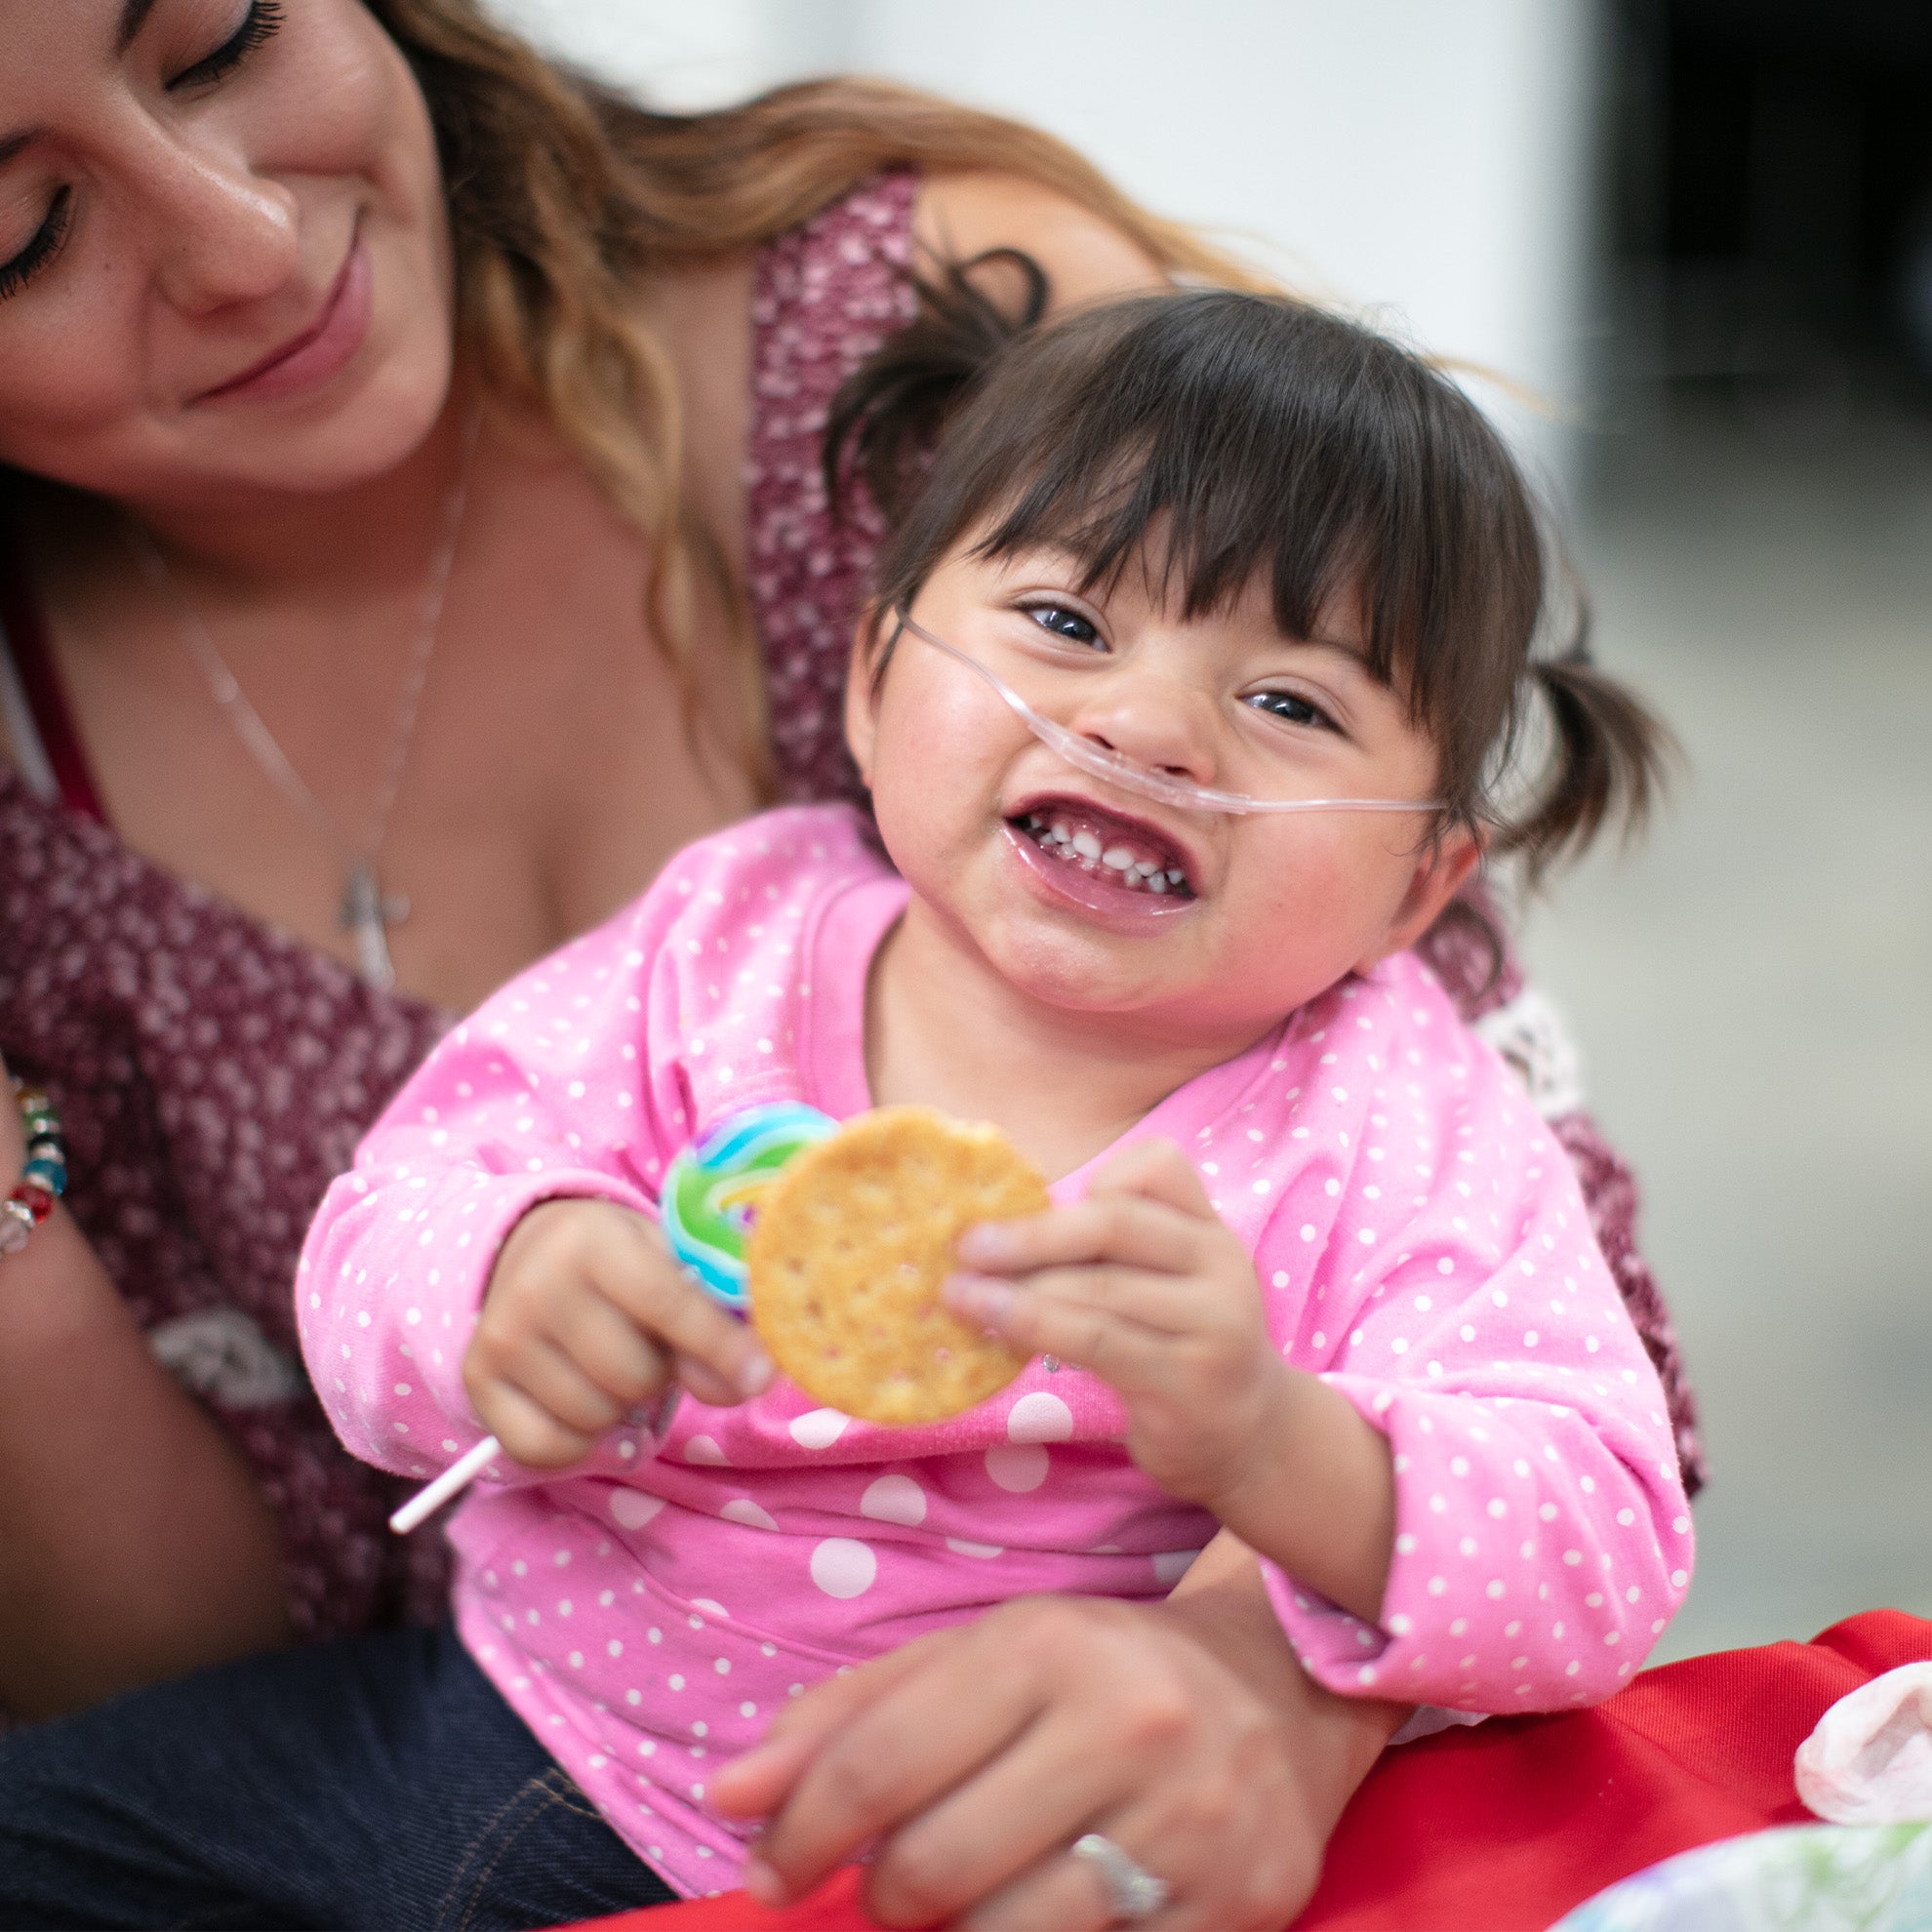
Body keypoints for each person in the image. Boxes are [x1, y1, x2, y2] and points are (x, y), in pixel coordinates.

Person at [0, 0, 1699, 1921]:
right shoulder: (728, 933)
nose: (1148, 728)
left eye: (1292, 706)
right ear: (875, 682)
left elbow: (1599, 1532)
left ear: (1423, 888)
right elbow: (399, 1212)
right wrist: (508, 1282)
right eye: (1067, 626)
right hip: (532, 1723)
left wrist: (1284, 1452)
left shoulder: (1390, 1115)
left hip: (1035, 1839)